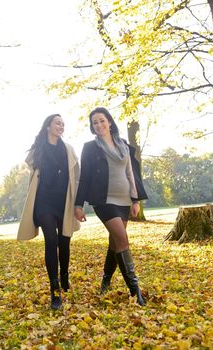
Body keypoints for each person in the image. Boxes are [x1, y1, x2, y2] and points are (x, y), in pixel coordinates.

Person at [74, 107, 148, 306]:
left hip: (124, 199)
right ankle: (136, 292)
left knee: (115, 243)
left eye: (101, 121)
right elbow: (85, 177)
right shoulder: (90, 148)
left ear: (109, 122)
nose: (98, 125)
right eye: (94, 123)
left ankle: (106, 280)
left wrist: (135, 199)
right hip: (104, 201)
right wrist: (78, 204)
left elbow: (131, 173)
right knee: (123, 240)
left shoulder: (122, 144)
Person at [17, 114, 80, 310]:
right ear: (48, 126)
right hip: (43, 201)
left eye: (63, 123)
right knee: (51, 240)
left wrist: (78, 202)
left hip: (63, 202)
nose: (61, 126)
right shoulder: (39, 149)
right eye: (57, 123)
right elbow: (30, 165)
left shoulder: (68, 149)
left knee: (64, 240)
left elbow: (76, 175)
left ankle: (64, 277)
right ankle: (54, 289)